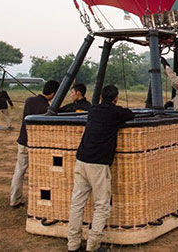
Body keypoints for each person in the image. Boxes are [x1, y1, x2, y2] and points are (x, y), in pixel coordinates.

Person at [67, 85, 134, 252]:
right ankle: (93, 245)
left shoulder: (93, 109)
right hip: (98, 164)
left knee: (77, 203)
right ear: (116, 98)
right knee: (102, 205)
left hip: (81, 159)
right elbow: (130, 115)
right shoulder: (116, 112)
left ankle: (73, 245)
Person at [10, 79, 59, 208]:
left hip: (23, 141)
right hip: (36, 145)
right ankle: (40, 199)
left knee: (19, 171)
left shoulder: (29, 100)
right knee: (40, 173)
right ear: (54, 94)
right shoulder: (47, 109)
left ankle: (14, 200)